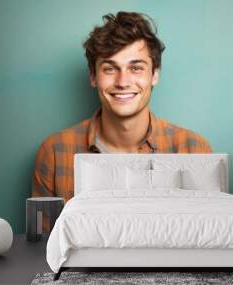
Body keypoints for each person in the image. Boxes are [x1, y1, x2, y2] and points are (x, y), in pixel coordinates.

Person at [32, 11, 212, 202]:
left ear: (155, 75)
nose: (123, 82)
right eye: (110, 68)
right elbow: (43, 233)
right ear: (93, 76)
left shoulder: (194, 150)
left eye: (136, 68)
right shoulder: (54, 154)